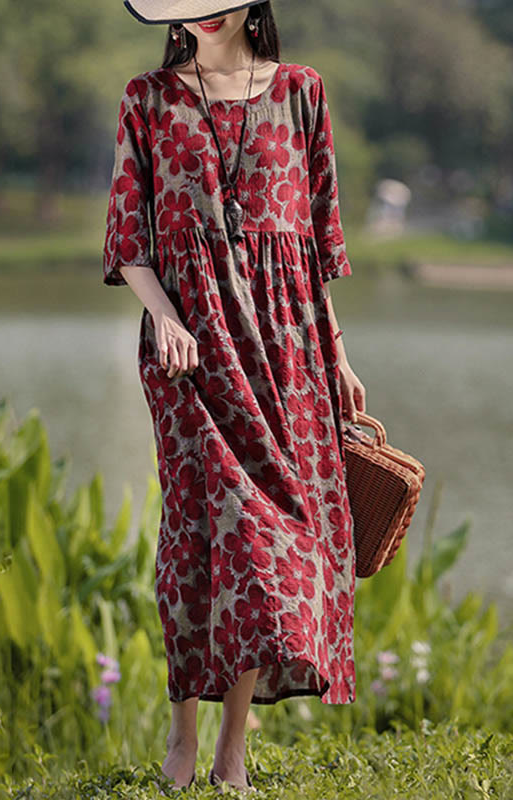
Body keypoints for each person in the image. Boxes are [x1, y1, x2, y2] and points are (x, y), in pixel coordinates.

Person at [103, 0, 367, 792]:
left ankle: (231, 751)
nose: (205, 15)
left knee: (268, 550)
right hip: (188, 355)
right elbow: (129, 237)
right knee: (202, 536)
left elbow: (318, 241)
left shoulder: (301, 92)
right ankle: (183, 734)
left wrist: (340, 354)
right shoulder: (146, 98)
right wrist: (165, 320)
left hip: (287, 354)